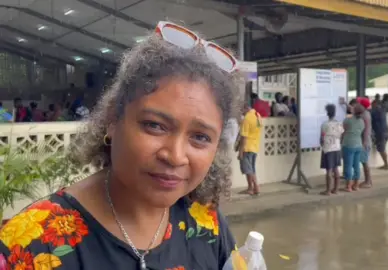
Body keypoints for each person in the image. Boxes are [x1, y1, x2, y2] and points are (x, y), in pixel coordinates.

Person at [0, 23, 237, 269]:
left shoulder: (205, 223)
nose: (175, 156)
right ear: (113, 120)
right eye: (155, 125)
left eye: (200, 137)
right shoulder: (30, 245)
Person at [238, 103, 262, 195]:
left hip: (247, 147)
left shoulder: (247, 119)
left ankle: (256, 187)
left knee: (248, 169)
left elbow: (244, 136)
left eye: (242, 110)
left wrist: (240, 152)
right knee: (251, 169)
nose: (241, 113)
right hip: (255, 146)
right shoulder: (258, 115)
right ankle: (250, 188)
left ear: (246, 108)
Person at [320, 104, 344, 195]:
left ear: (327, 113)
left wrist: (323, 144)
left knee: (329, 170)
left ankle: (328, 190)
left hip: (328, 149)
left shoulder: (324, 125)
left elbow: (321, 139)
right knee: (336, 168)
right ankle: (336, 189)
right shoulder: (339, 124)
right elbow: (342, 135)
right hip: (337, 148)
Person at [342, 104, 366, 192]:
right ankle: (356, 185)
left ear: (354, 111)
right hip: (358, 144)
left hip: (348, 144)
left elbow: (343, 129)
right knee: (356, 165)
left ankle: (348, 186)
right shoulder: (362, 121)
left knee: (348, 165)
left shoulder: (348, 120)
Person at [357, 97, 373, 188]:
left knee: (364, 162)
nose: (357, 105)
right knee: (364, 161)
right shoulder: (365, 113)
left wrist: (363, 143)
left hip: (365, 142)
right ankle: (369, 180)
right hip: (365, 141)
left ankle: (368, 182)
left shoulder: (365, 115)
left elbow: (366, 131)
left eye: (359, 103)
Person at [371, 100, 388, 170]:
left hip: (380, 133)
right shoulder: (382, 111)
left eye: (372, 104)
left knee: (382, 150)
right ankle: (386, 164)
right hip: (386, 132)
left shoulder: (374, 112)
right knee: (383, 149)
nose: (371, 106)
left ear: (376, 104)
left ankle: (386, 165)